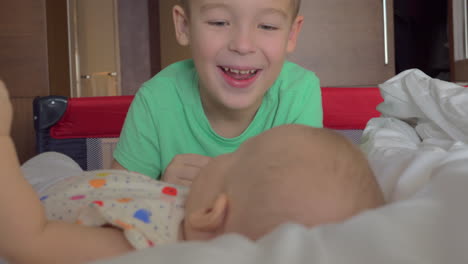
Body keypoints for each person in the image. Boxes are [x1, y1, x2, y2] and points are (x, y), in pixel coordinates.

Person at [0, 82, 383, 264]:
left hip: (36, 206)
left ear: (212, 212)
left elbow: (27, 243)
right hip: (78, 183)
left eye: (238, 156)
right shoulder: (198, 217)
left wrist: (2, 137)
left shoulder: (140, 248)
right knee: (61, 162)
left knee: (45, 165)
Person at [111, 0, 323, 184]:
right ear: (184, 25)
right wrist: (163, 193)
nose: (242, 45)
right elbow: (114, 202)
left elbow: (306, 197)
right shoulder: (156, 99)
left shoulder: (300, 93)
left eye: (267, 26)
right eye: (219, 22)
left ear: (291, 34)